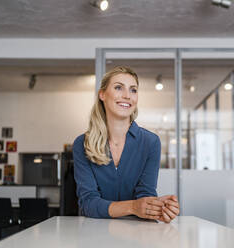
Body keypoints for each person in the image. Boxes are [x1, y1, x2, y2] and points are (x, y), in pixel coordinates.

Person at [73, 66, 179, 223]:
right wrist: (133, 207)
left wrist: (157, 208)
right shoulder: (82, 144)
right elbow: (88, 204)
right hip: (95, 232)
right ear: (102, 94)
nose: (127, 96)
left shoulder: (151, 142)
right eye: (118, 88)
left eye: (133, 90)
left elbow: (145, 194)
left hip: (138, 232)